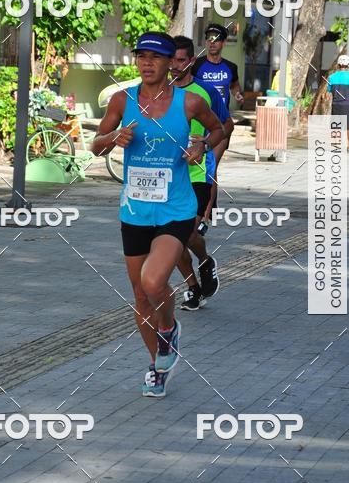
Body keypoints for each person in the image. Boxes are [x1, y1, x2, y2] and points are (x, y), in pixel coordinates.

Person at [92, 32, 225, 398]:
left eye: (155, 57)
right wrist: (113, 138)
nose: (147, 63)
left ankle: (168, 330)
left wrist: (202, 145)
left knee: (153, 283)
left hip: (175, 209)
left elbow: (218, 129)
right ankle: (157, 365)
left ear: (170, 63)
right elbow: (96, 145)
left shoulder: (190, 102)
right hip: (135, 211)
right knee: (140, 296)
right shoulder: (122, 100)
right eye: (141, 56)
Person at [170, 35, 234, 310]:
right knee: (170, 238)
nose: (174, 66)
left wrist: (206, 145)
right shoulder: (159, 92)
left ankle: (205, 261)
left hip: (197, 174)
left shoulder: (205, 92)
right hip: (167, 175)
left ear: (191, 61)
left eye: (180, 60)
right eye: (171, 60)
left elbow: (227, 125)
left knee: (185, 233)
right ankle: (194, 288)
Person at [192, 24, 242, 220]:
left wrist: (237, 95)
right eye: (209, 39)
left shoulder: (230, 67)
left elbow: (235, 86)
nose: (211, 43)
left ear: (223, 43)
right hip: (199, 123)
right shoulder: (197, 65)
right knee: (202, 167)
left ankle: (205, 215)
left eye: (216, 39)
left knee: (211, 166)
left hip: (221, 124)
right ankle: (202, 208)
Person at [326, 54, 349, 153]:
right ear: (348, 65)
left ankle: (336, 147)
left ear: (338, 64)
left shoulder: (332, 77)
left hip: (336, 105)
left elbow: (329, 90)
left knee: (336, 126)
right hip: (348, 105)